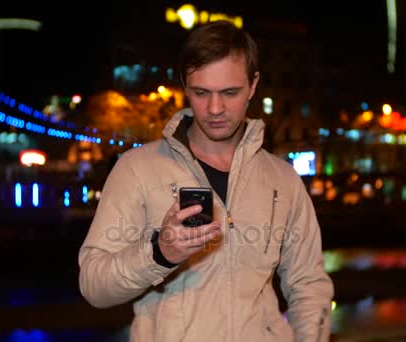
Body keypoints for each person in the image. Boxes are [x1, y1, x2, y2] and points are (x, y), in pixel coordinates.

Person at [78, 20, 334, 342]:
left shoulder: (282, 180)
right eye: (201, 93)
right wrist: (158, 253)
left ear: (253, 85)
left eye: (230, 92)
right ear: (185, 85)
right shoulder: (136, 169)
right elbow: (93, 285)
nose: (215, 108)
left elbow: (308, 284)